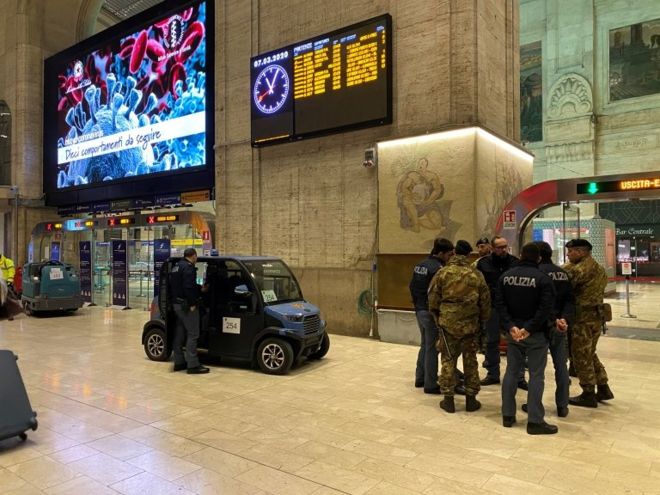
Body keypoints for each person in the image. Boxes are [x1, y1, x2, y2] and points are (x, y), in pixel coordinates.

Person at [496, 242, 557, 434]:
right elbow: (545, 308)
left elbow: (499, 304)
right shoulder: (543, 279)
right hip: (535, 335)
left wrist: (511, 327)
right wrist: (529, 329)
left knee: (512, 372)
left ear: (521, 255)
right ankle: (535, 421)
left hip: (513, 334)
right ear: (538, 258)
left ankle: (507, 415)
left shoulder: (505, 277)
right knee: (536, 376)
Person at [428, 240, 490, 413]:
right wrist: (483, 320)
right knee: (470, 360)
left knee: (448, 358)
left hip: (448, 324)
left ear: (454, 253)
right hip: (471, 325)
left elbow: (432, 299)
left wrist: (437, 316)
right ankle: (471, 399)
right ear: (469, 255)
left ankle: (448, 400)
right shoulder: (476, 274)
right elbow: (485, 301)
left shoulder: (442, 273)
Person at [521, 241, 575, 417]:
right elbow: (569, 300)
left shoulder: (538, 274)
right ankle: (562, 405)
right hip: (560, 326)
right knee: (561, 365)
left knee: (537, 370)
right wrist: (564, 320)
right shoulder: (562, 273)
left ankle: (534, 405)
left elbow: (537, 304)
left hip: (542, 327)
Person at [562, 239, 613, 407]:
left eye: (571, 252)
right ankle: (603, 386)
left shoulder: (581, 269)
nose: (568, 255)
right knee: (590, 352)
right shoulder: (598, 267)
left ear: (582, 252)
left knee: (580, 355)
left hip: (583, 319)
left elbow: (564, 279)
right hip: (596, 317)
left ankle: (588, 393)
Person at [476, 236, 525, 388]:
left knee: (517, 341)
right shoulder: (483, 264)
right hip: (492, 308)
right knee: (491, 341)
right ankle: (492, 374)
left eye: (505, 246)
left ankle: (519, 376)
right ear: (492, 248)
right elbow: (478, 286)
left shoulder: (516, 263)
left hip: (512, 309)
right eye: (499, 247)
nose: (503, 250)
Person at [410, 238, 454, 394]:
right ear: (441, 253)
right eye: (449, 254)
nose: (450, 257)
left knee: (425, 345)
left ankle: (420, 377)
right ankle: (430, 384)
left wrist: (418, 306)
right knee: (432, 348)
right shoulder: (439, 269)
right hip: (430, 313)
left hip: (419, 310)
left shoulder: (420, 265)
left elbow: (412, 287)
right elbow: (440, 293)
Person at [169, 248, 209, 374]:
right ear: (194, 256)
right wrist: (192, 303)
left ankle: (179, 362)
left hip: (176, 305)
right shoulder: (189, 268)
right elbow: (188, 287)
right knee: (193, 334)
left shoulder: (176, 267)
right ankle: (193, 364)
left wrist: (199, 288)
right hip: (187, 306)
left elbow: (179, 285)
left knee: (180, 333)